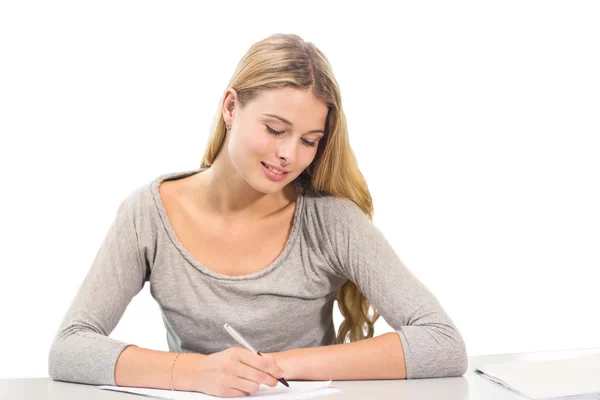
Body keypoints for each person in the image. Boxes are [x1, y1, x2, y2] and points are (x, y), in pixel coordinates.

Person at [48, 33, 468, 398]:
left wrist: (279, 366)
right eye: (274, 129)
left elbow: (442, 344)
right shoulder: (149, 213)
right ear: (231, 107)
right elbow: (70, 349)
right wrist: (199, 373)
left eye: (309, 140)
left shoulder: (331, 221)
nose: (289, 155)